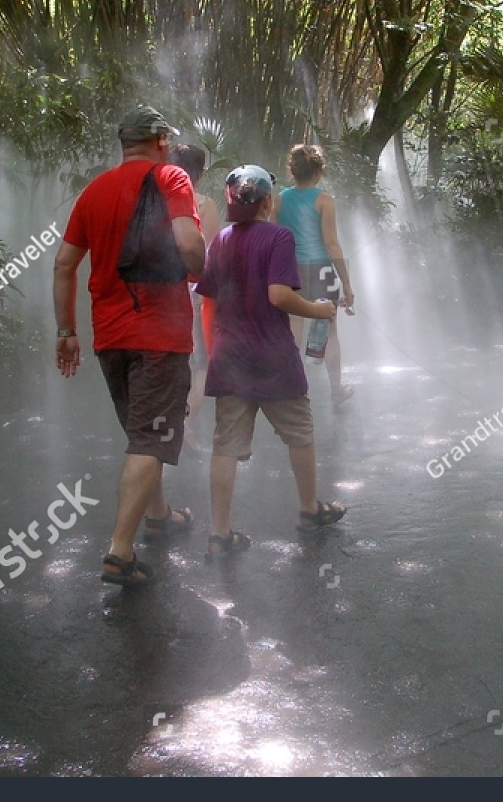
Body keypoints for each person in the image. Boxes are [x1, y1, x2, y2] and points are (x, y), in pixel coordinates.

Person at [53, 105, 205, 587]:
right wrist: (204, 272)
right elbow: (188, 242)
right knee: (149, 438)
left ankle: (159, 516)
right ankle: (119, 551)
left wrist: (65, 331)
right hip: (159, 334)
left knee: (145, 434)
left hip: (110, 337)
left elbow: (63, 265)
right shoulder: (172, 177)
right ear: (161, 140)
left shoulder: (94, 191)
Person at [195, 165, 348, 557]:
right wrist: (317, 310)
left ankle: (218, 533)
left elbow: (208, 296)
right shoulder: (279, 237)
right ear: (266, 201)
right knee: (299, 432)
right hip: (273, 355)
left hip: (230, 357)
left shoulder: (221, 241)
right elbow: (279, 296)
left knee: (225, 445)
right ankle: (309, 510)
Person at [278, 143, 356, 404]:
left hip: (292, 270)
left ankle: (289, 389)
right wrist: (347, 284)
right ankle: (336, 390)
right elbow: (332, 244)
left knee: (293, 328)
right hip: (322, 269)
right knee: (330, 331)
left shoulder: (279, 199)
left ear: (293, 170)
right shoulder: (324, 199)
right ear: (319, 171)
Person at [168, 142, 223, 450]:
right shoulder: (203, 204)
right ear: (199, 177)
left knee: (173, 364)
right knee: (203, 365)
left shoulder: (155, 202)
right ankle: (183, 425)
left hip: (160, 294)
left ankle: (166, 428)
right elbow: (212, 257)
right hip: (193, 294)